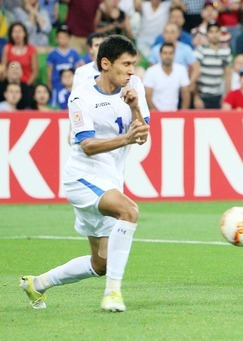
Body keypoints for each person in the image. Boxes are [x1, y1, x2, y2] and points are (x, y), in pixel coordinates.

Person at [19, 35, 151, 312]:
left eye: (133, 65)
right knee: (129, 212)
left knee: (100, 264)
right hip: (83, 177)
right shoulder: (81, 96)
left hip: (110, 179)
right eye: (126, 64)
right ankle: (113, 295)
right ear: (106, 63)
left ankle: (37, 284)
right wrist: (126, 139)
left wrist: (135, 107)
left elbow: (141, 136)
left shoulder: (135, 86)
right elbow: (88, 146)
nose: (131, 70)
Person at [144, 42, 191, 111]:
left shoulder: (181, 70)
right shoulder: (151, 71)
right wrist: (158, 115)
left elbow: (186, 93)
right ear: (160, 55)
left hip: (174, 114)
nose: (168, 56)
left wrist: (183, 113)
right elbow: (148, 96)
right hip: (154, 114)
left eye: (170, 53)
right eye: (165, 53)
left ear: (174, 55)